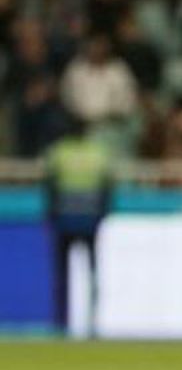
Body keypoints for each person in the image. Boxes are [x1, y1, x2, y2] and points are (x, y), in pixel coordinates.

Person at [44, 116, 112, 335]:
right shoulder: (98, 153)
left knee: (62, 274)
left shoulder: (59, 152)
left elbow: (51, 187)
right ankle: (92, 320)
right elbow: (106, 187)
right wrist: (102, 215)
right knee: (92, 272)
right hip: (89, 221)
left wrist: (51, 216)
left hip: (65, 221)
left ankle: (62, 321)